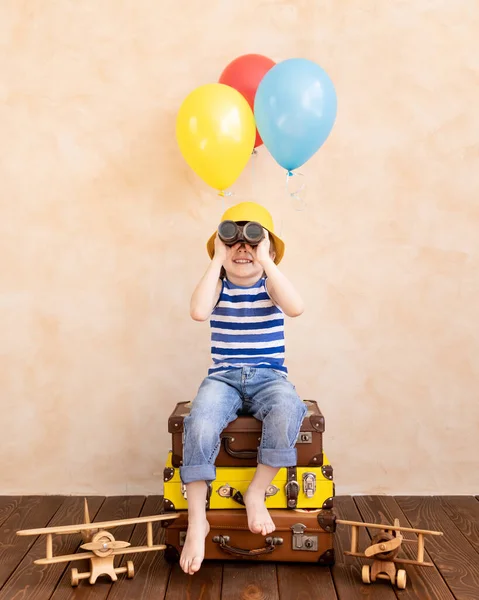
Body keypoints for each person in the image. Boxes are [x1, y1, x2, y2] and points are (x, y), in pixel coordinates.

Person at [179, 201, 307, 575]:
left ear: (267, 249)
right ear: (221, 248)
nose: (243, 249)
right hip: (224, 378)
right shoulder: (216, 286)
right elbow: (199, 312)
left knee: (288, 408)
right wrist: (216, 260)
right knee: (199, 421)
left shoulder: (271, 284)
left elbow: (296, 307)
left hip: (270, 377)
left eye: (253, 241)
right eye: (233, 241)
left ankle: (256, 491)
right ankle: (196, 519)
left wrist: (267, 261)